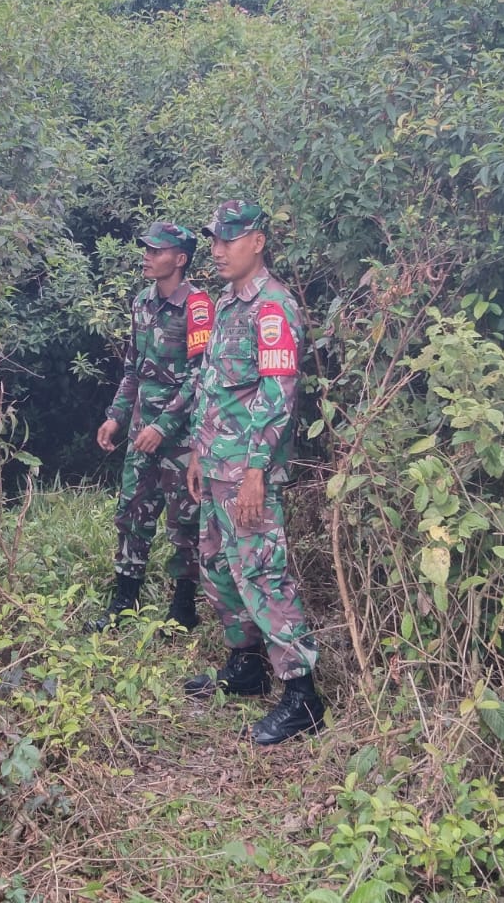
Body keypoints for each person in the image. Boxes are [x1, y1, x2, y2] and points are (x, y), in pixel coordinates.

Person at [183, 200, 326, 745]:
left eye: (229, 239)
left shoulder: (272, 307)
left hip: (248, 471)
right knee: (219, 565)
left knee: (264, 574)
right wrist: (198, 452)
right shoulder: (226, 303)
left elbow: (278, 393)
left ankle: (301, 695)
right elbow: (214, 385)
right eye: (214, 240)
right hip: (216, 464)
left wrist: (255, 472)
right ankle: (246, 665)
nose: (217, 250)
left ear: (258, 242)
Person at [91, 221, 213, 631]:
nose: (146, 255)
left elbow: (201, 377)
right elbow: (133, 369)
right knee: (131, 512)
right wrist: (115, 415)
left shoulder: (198, 306)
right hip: (141, 433)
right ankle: (123, 600)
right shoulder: (142, 302)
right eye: (146, 249)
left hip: (181, 439)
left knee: (185, 521)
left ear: (179, 259)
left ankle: (183, 609)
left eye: (156, 250)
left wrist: (163, 426)